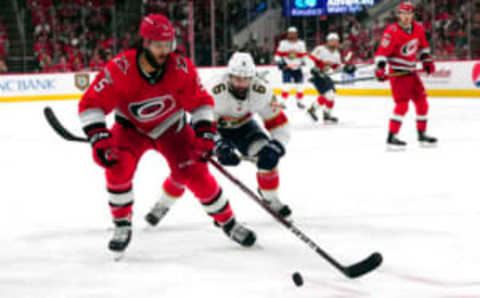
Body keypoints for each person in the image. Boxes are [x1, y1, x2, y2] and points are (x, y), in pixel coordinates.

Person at [78, 14, 256, 257]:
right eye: (159, 45)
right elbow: (91, 104)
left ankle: (228, 222)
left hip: (171, 128)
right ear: (145, 43)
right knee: (117, 167)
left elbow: (201, 103)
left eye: (168, 44)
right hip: (130, 129)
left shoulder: (181, 68)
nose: (165, 51)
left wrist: (205, 134)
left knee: (195, 173)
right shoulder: (120, 68)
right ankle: (121, 224)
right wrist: (99, 136)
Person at [146, 52, 292, 222]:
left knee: (268, 158)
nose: (241, 84)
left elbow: (279, 124)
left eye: (246, 79)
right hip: (209, 129)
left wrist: (276, 146)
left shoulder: (262, 91)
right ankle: (163, 204)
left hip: (244, 127)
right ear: (229, 76)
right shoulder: (213, 89)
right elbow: (200, 122)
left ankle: (271, 199)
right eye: (237, 78)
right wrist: (218, 145)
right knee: (186, 168)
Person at [374, 1, 437, 149]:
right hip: (398, 73)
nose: (406, 16)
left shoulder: (419, 28)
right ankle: (392, 137)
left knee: (422, 102)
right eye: (403, 13)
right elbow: (382, 53)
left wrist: (426, 60)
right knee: (402, 105)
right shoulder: (392, 31)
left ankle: (422, 134)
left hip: (412, 72)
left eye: (409, 13)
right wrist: (380, 68)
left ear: (413, 15)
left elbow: (423, 47)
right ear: (399, 15)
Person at [307, 33, 356, 123]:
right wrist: (314, 70)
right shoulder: (320, 49)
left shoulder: (336, 54)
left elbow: (336, 67)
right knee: (329, 95)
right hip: (316, 75)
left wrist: (346, 68)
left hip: (325, 75)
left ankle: (324, 114)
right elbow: (310, 59)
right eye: (332, 41)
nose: (334, 43)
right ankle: (316, 111)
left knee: (330, 95)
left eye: (336, 41)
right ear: (328, 41)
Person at [274, 27, 307, 109]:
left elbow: (304, 56)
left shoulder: (301, 44)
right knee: (286, 86)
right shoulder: (283, 43)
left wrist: (304, 62)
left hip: (298, 68)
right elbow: (277, 55)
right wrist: (280, 63)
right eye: (290, 33)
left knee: (300, 86)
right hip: (287, 67)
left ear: (297, 34)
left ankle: (300, 102)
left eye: (293, 33)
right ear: (287, 34)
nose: (292, 35)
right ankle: (282, 102)